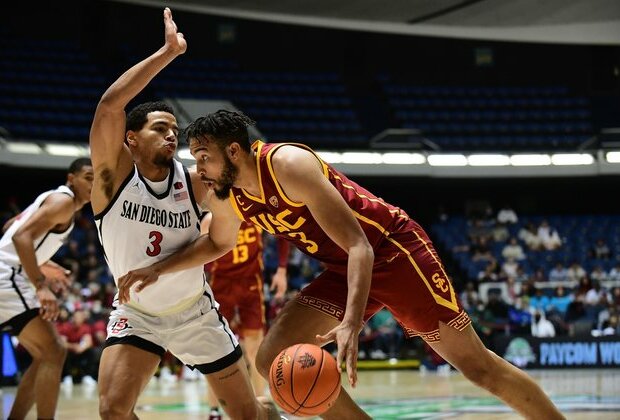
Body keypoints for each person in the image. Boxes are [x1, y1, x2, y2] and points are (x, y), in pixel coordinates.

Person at [117, 110, 565, 419]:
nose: (200, 168)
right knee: (273, 360)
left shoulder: (288, 163)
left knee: (477, 366)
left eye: (205, 158)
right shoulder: (229, 194)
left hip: (392, 252)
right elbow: (217, 244)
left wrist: (351, 321)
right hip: (342, 270)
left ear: (234, 151)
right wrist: (161, 267)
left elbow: (360, 246)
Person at [89, 8, 279, 419]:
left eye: (175, 129)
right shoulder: (112, 178)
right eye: (160, 127)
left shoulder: (195, 181)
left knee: (247, 414)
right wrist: (168, 53)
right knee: (112, 410)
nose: (172, 134)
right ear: (131, 140)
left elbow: (222, 241)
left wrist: (159, 269)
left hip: (195, 311)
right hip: (138, 315)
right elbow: (109, 105)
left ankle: (270, 413)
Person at [0, 157, 93, 419]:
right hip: (7, 277)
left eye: (98, 179)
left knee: (46, 355)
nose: (94, 183)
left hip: (7, 273)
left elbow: (11, 228)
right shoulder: (63, 202)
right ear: (71, 179)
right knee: (53, 350)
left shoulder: (54, 199)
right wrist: (41, 285)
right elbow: (20, 236)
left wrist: (45, 263)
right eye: (88, 176)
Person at [202, 214, 290, 419]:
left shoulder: (255, 214)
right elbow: (195, 252)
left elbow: (283, 232)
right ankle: (214, 411)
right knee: (214, 351)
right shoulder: (211, 219)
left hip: (251, 284)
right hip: (221, 285)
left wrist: (282, 270)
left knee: (255, 349)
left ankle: (261, 408)